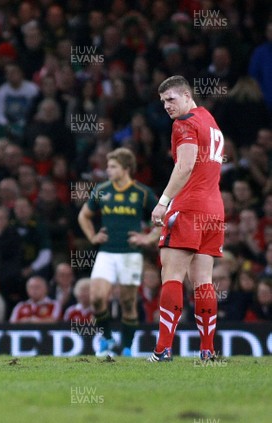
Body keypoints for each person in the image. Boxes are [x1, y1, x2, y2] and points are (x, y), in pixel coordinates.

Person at [149, 75, 225, 362]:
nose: (167, 107)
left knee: (172, 276)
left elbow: (185, 166)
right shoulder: (209, 120)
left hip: (189, 206)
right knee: (203, 280)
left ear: (186, 95)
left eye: (171, 99)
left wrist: (163, 202)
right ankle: (207, 350)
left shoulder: (184, 123)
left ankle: (163, 349)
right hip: (214, 209)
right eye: (163, 102)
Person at [78, 147, 160, 357]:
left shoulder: (142, 193)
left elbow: (162, 219)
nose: (108, 170)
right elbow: (84, 216)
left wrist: (148, 238)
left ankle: (126, 347)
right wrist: (93, 237)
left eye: (113, 166)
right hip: (106, 252)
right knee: (96, 298)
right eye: (108, 166)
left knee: (127, 301)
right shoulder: (101, 190)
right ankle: (106, 338)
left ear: (126, 168)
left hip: (130, 254)